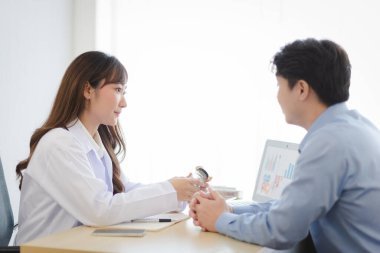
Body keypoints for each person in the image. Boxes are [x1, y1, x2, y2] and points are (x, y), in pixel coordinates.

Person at [189, 38, 380, 252]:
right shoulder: (357, 128)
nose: (277, 96)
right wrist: (230, 210)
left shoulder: (329, 143)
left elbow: (282, 230)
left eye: (279, 85)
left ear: (301, 89)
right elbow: (293, 209)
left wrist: (219, 221)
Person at [15, 51, 203, 244]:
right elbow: (100, 210)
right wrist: (170, 191)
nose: (124, 102)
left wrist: (179, 191)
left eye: (124, 91)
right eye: (117, 89)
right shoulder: (59, 144)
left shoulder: (95, 142)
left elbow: (123, 191)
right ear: (88, 90)